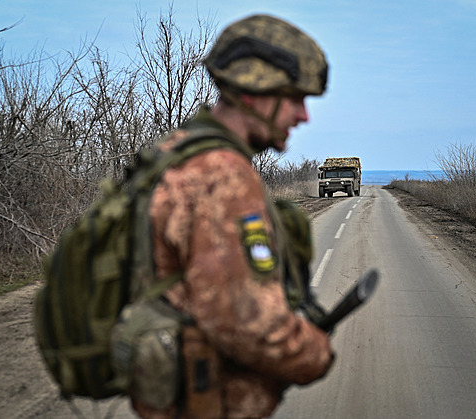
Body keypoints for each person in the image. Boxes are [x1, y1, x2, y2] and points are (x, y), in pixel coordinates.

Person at [133, 14, 334, 419]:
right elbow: (249, 325)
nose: (303, 115)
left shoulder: (177, 151)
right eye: (295, 98)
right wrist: (314, 352)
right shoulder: (222, 177)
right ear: (253, 96)